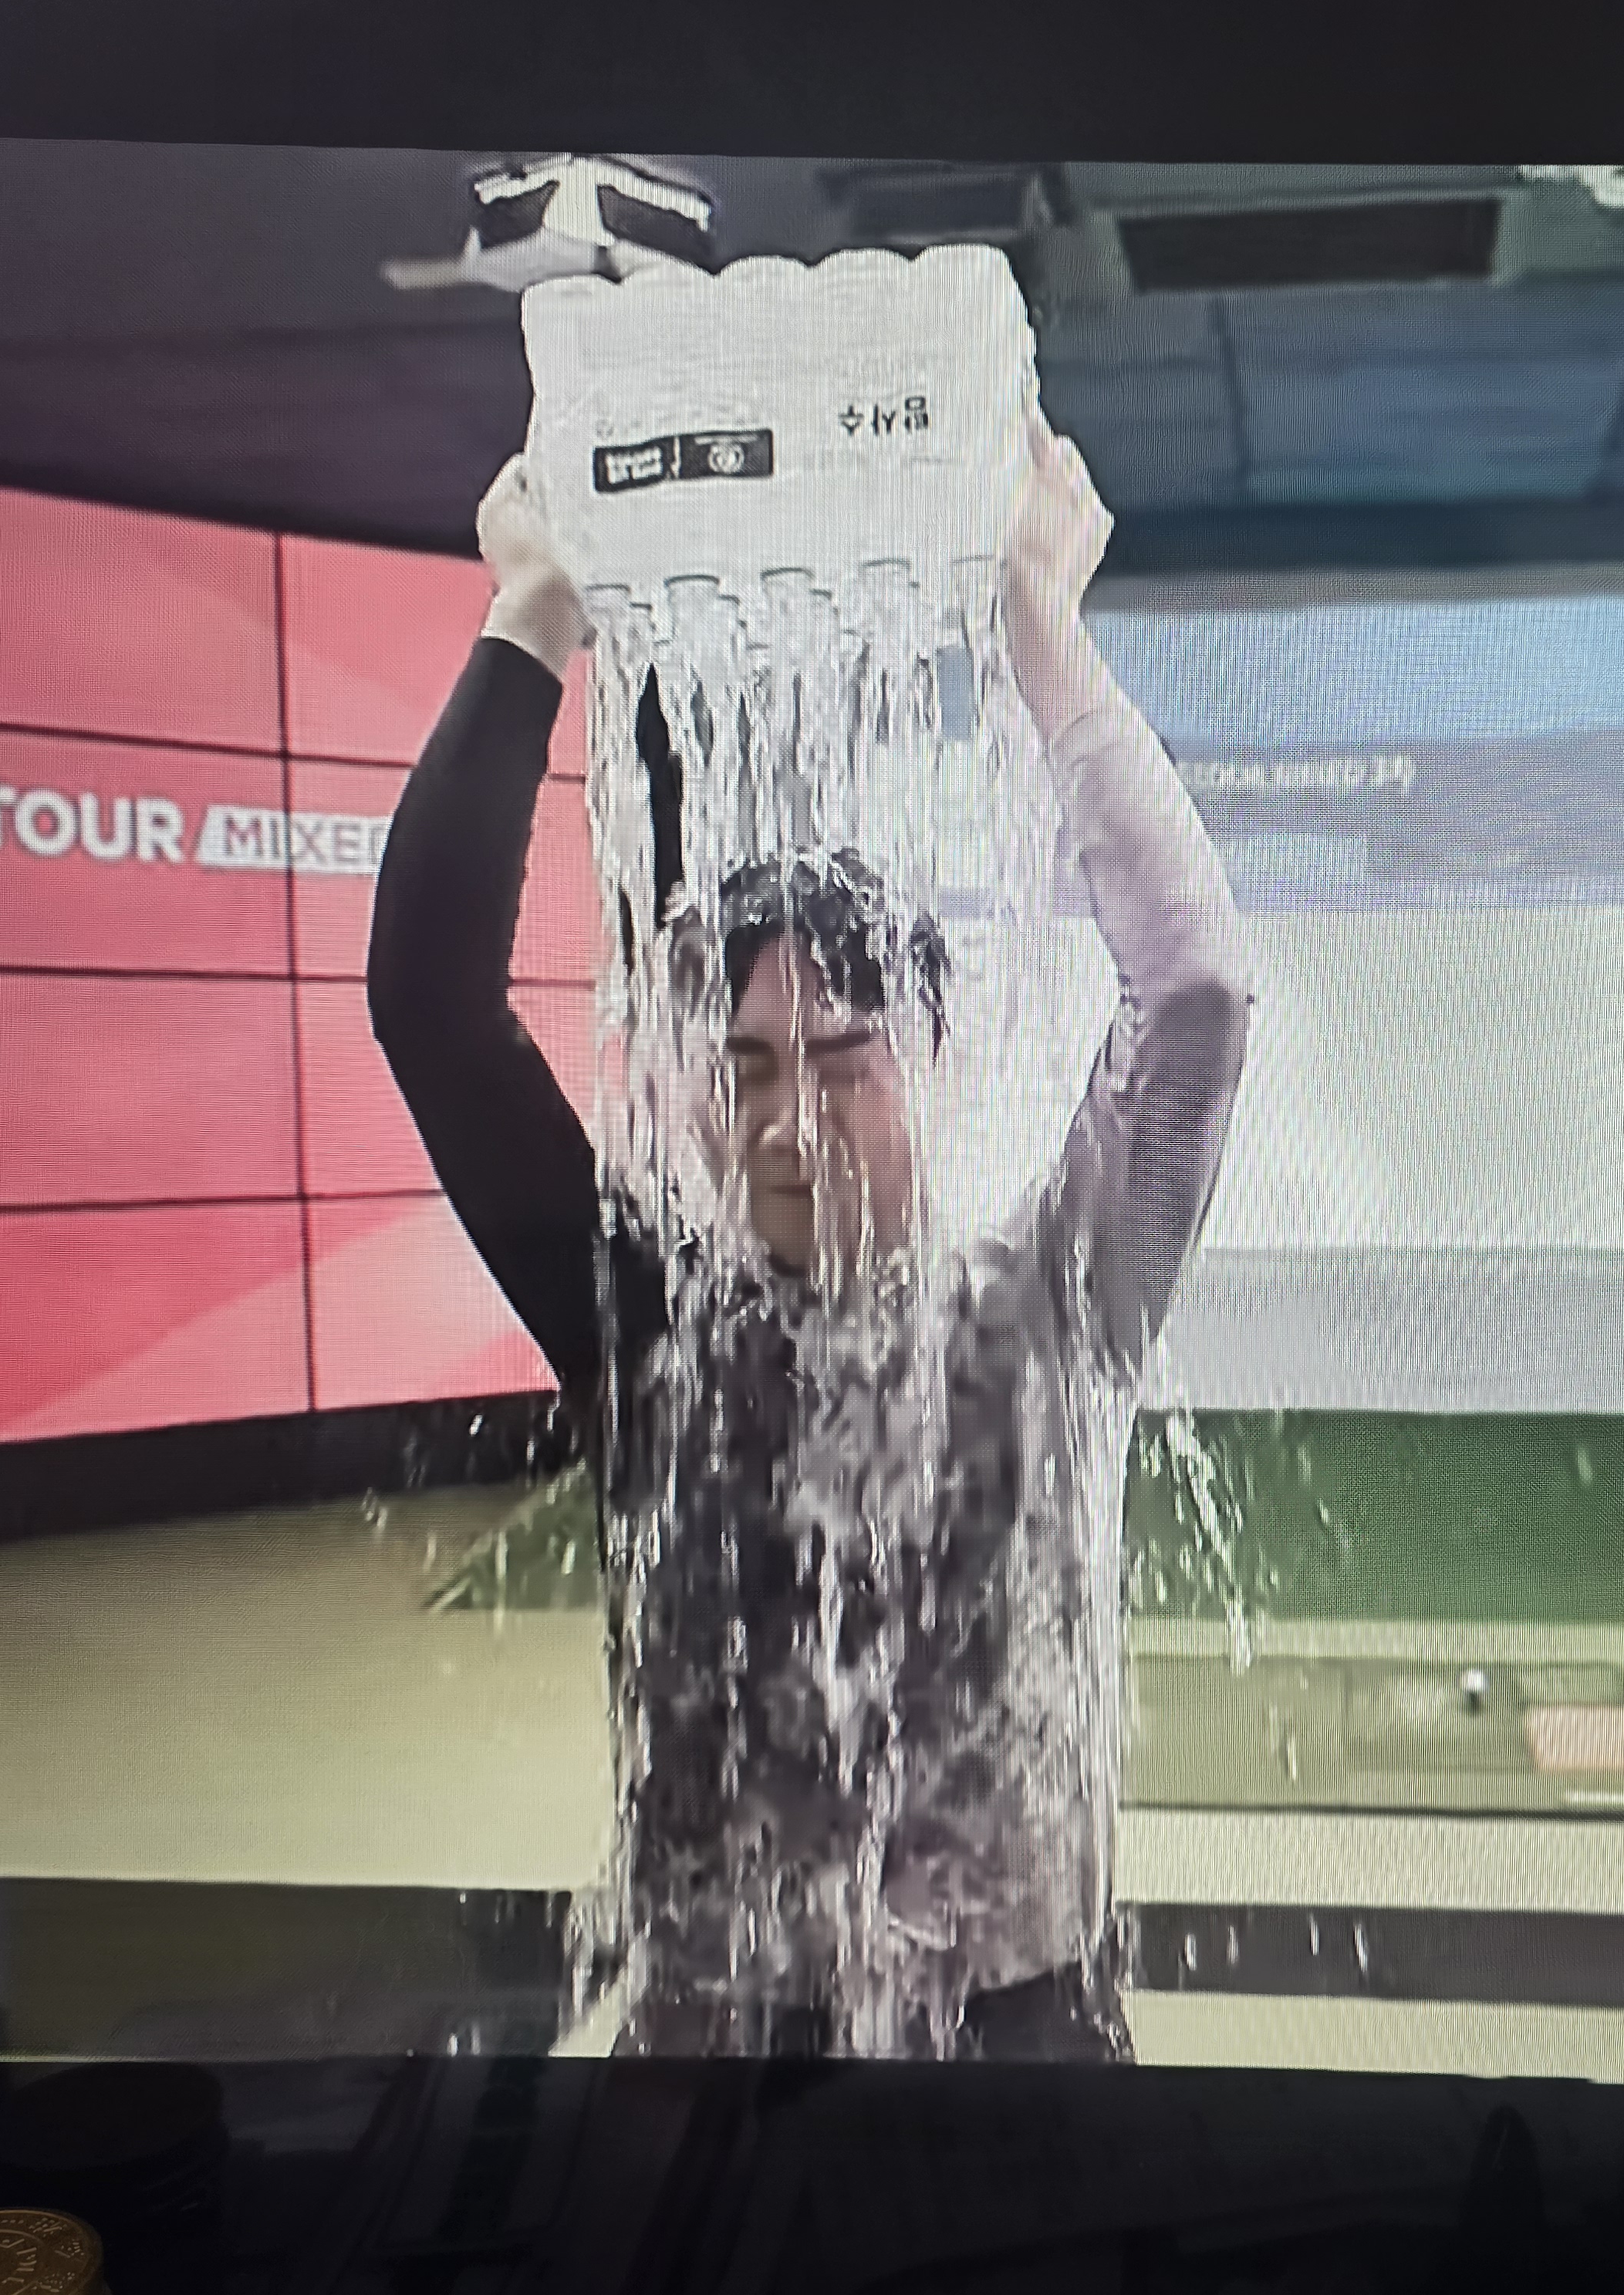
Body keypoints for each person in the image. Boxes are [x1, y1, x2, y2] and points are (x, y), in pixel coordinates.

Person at [366, 409, 1254, 2060]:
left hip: (1020, 2039)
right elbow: (430, 1007)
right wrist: (532, 614)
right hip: (716, 2053)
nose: (788, 1126)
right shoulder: (650, 1328)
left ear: (936, 1055)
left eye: (844, 1062)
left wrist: (1041, 629)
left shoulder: (1056, 1305)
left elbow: (1192, 996)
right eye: (748, 1070)